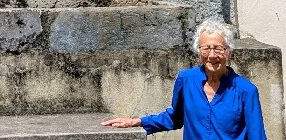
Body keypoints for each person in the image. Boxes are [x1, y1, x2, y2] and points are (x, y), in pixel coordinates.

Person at [102, 19, 267, 140]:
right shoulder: (186, 79)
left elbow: (257, 136)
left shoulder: (246, 91)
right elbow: (175, 117)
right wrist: (136, 121)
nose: (212, 55)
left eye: (218, 49)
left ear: (228, 52)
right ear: (198, 51)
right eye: (206, 49)